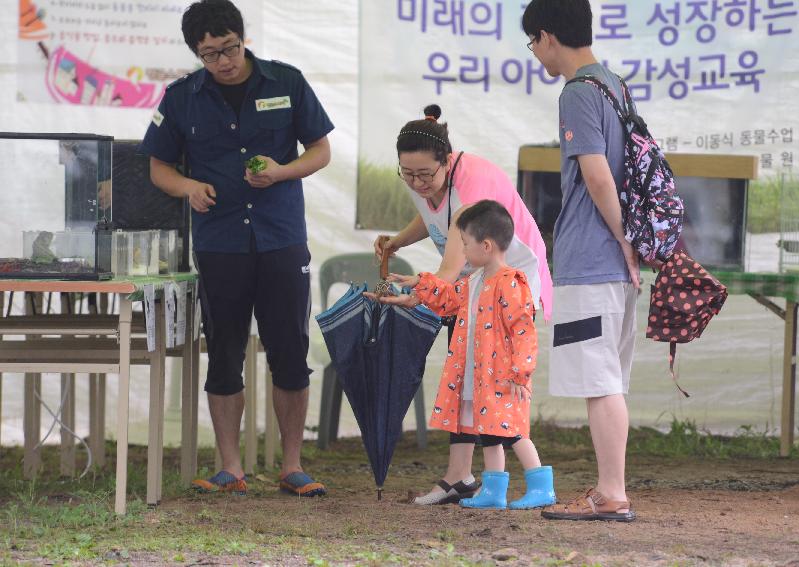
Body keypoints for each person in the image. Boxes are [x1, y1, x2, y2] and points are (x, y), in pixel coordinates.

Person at [140, 0, 333, 496]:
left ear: (243, 38)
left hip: (281, 237)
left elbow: (321, 149)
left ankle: (292, 466)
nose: (224, 61)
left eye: (229, 48)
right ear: (196, 55)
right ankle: (231, 467)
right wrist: (187, 187)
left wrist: (283, 172)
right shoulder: (182, 97)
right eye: (210, 54)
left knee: (290, 350)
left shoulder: (285, 82)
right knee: (224, 350)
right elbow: (158, 166)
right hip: (220, 240)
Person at [375, 105, 553, 505]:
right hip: (474, 286)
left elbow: (452, 264)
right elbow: (432, 212)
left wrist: (421, 293)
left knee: (492, 389)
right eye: (408, 174)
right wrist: (399, 242)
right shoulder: (427, 178)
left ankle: (533, 484)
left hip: (505, 288)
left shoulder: (471, 182)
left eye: (425, 174)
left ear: (447, 161)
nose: (417, 183)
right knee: (468, 378)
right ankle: (465, 478)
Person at [523, 0, 639, 521]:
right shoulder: (615, 84)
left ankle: (611, 494)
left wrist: (623, 239)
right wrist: (629, 244)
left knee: (600, 382)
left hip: (591, 259)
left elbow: (596, 175)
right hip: (613, 266)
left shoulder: (575, 93)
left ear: (547, 36)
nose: (535, 53)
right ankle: (609, 489)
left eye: (532, 42)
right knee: (608, 379)